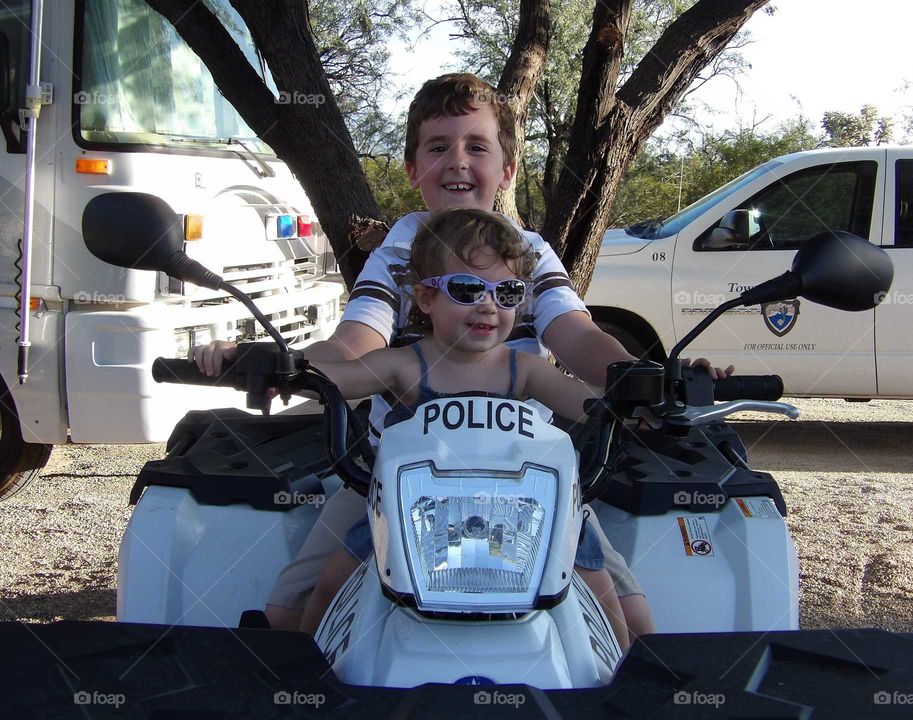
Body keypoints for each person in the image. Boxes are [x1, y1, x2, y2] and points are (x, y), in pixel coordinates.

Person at [191, 72, 730, 642]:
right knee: (290, 615)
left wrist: (650, 380)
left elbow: (575, 334)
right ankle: (303, 684)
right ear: (412, 169)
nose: (457, 161)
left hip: (530, 478)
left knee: (632, 622)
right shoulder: (398, 254)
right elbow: (355, 343)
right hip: (391, 475)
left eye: (477, 146)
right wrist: (281, 362)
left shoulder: (529, 254)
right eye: (437, 147)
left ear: (508, 169)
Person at [296, 207, 632, 650]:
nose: (488, 305)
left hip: (524, 513)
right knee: (330, 584)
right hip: (415, 513)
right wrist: (264, 364)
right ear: (425, 297)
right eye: (467, 288)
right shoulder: (403, 366)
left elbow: (595, 405)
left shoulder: (525, 370)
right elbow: (334, 377)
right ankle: (300, 673)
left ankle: (625, 675)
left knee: (605, 594)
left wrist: (658, 386)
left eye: (507, 292)